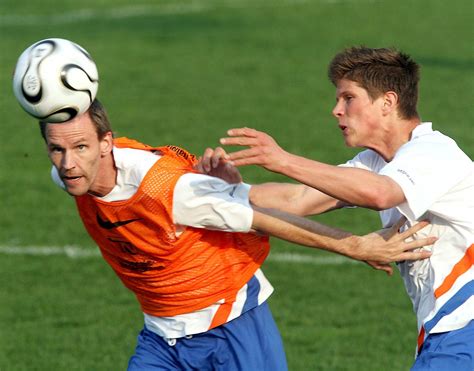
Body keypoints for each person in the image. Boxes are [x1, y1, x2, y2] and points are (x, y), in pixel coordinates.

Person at [38, 99, 435, 371]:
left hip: (231, 324)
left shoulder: (173, 191)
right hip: (162, 336)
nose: (68, 163)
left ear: (106, 143)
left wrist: (353, 244)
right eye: (57, 150)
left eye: (81, 147)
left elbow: (261, 216)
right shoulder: (70, 173)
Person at [205, 46, 474, 370]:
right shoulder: (377, 162)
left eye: (348, 98)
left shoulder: (432, 152)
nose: (336, 110)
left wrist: (284, 159)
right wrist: (229, 189)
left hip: (463, 327)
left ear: (387, 102)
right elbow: (299, 199)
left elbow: (380, 194)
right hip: (446, 330)